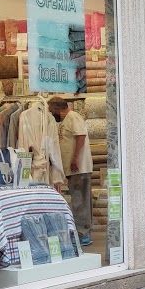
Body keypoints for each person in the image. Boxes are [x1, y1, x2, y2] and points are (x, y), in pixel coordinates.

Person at [49, 97, 92, 246]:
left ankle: (83, 233)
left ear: (56, 108)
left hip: (79, 168)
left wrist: (75, 159)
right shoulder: (66, 119)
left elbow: (81, 136)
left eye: (51, 110)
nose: (51, 113)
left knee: (80, 201)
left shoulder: (73, 117)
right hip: (73, 168)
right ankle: (82, 232)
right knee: (77, 200)